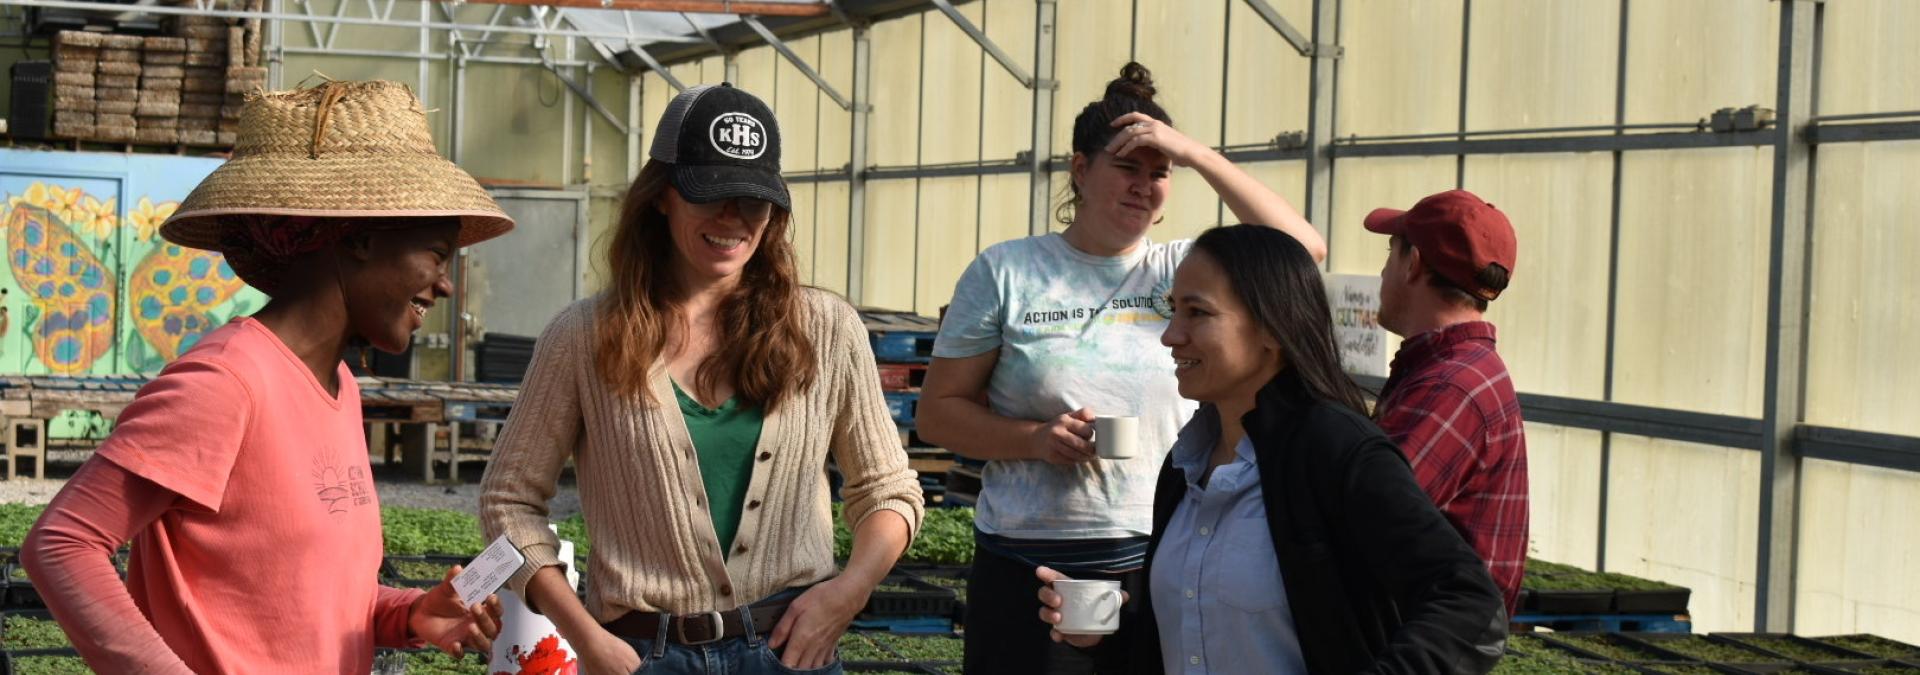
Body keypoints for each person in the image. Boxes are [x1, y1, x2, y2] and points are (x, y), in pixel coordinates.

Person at [21, 80, 510, 674]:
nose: (445, 284)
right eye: (436, 253)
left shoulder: (339, 388)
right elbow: (62, 545)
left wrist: (410, 613)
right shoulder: (225, 381)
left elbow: (301, 603)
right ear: (358, 238)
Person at [479, 83, 923, 675]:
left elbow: (888, 489)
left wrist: (850, 592)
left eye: (753, 200)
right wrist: (585, 636)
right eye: (711, 195)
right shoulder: (584, 336)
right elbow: (507, 500)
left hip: (791, 647)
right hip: (639, 654)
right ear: (662, 195)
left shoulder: (825, 330)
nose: (732, 219)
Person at [915, 62, 1326, 674]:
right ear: (1081, 170)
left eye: (1160, 173)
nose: (1144, 185)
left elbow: (1300, 250)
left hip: (1162, 547)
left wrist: (1194, 153)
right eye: (1127, 167)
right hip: (1028, 553)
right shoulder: (1008, 272)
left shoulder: (1183, 268)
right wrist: (1035, 439)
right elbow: (938, 415)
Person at [1036, 224, 1507, 674]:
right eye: (1172, 308)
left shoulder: (1334, 449)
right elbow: (1191, 644)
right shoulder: (1187, 463)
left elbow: (1468, 601)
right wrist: (1108, 634)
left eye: (1197, 312)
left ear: (1272, 330)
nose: (1171, 335)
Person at [1365, 189, 1529, 614]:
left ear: (1413, 263)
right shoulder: (1457, 369)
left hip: (1421, 638)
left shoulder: (1450, 387)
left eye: (1390, 253)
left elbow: (1363, 518)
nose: (1382, 271)